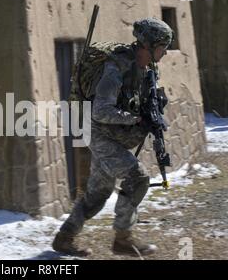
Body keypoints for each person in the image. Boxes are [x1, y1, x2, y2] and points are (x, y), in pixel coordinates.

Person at [52, 18, 174, 257]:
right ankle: (123, 239)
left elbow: (143, 103)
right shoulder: (116, 67)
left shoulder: (148, 69)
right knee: (138, 178)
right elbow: (100, 111)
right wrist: (135, 120)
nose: (165, 52)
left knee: (99, 193)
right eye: (162, 47)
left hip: (113, 135)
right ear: (148, 45)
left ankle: (64, 238)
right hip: (97, 131)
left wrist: (155, 113)